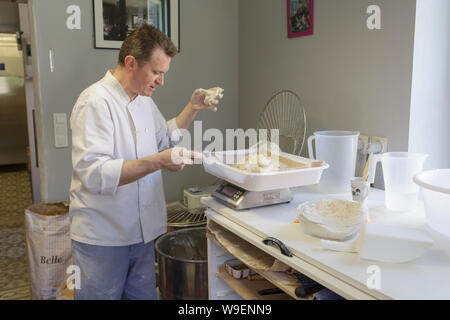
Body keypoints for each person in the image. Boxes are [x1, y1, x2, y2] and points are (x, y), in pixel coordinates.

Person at [69, 24, 222, 300]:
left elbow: (165, 140)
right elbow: (94, 173)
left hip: (141, 234)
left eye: (164, 73)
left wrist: (193, 108)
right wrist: (159, 161)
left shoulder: (143, 102)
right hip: (104, 238)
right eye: (156, 72)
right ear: (131, 63)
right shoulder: (95, 103)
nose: (161, 81)